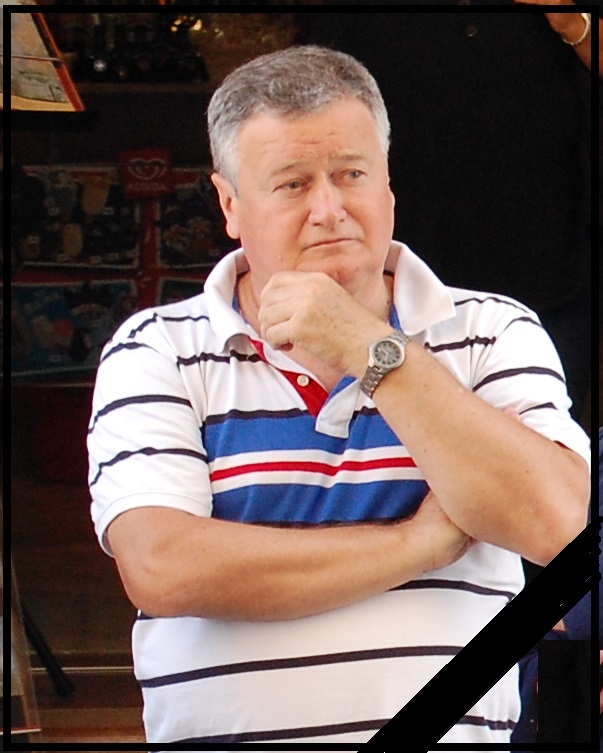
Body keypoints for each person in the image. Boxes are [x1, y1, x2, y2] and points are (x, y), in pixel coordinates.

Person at [87, 46, 590, 748]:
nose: (329, 210)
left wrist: (369, 348)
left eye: (351, 174)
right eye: (292, 184)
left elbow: (560, 525)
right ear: (230, 204)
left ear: (388, 186)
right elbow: (163, 568)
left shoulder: (490, 330)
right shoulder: (157, 348)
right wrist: (419, 542)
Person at [299, 5, 599, 429]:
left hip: (545, 260)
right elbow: (307, 100)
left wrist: (573, 21)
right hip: (392, 273)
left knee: (536, 444)